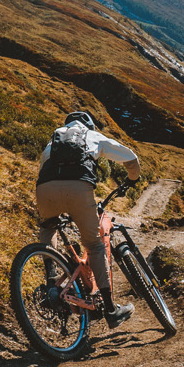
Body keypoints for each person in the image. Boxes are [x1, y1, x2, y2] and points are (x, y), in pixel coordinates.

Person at [35, 109, 142, 328]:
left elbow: (42, 170)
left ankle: (51, 282)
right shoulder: (92, 135)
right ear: (89, 126)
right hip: (79, 189)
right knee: (94, 245)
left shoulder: (53, 140)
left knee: (49, 228)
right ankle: (111, 310)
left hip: (44, 189)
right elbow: (131, 158)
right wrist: (134, 179)